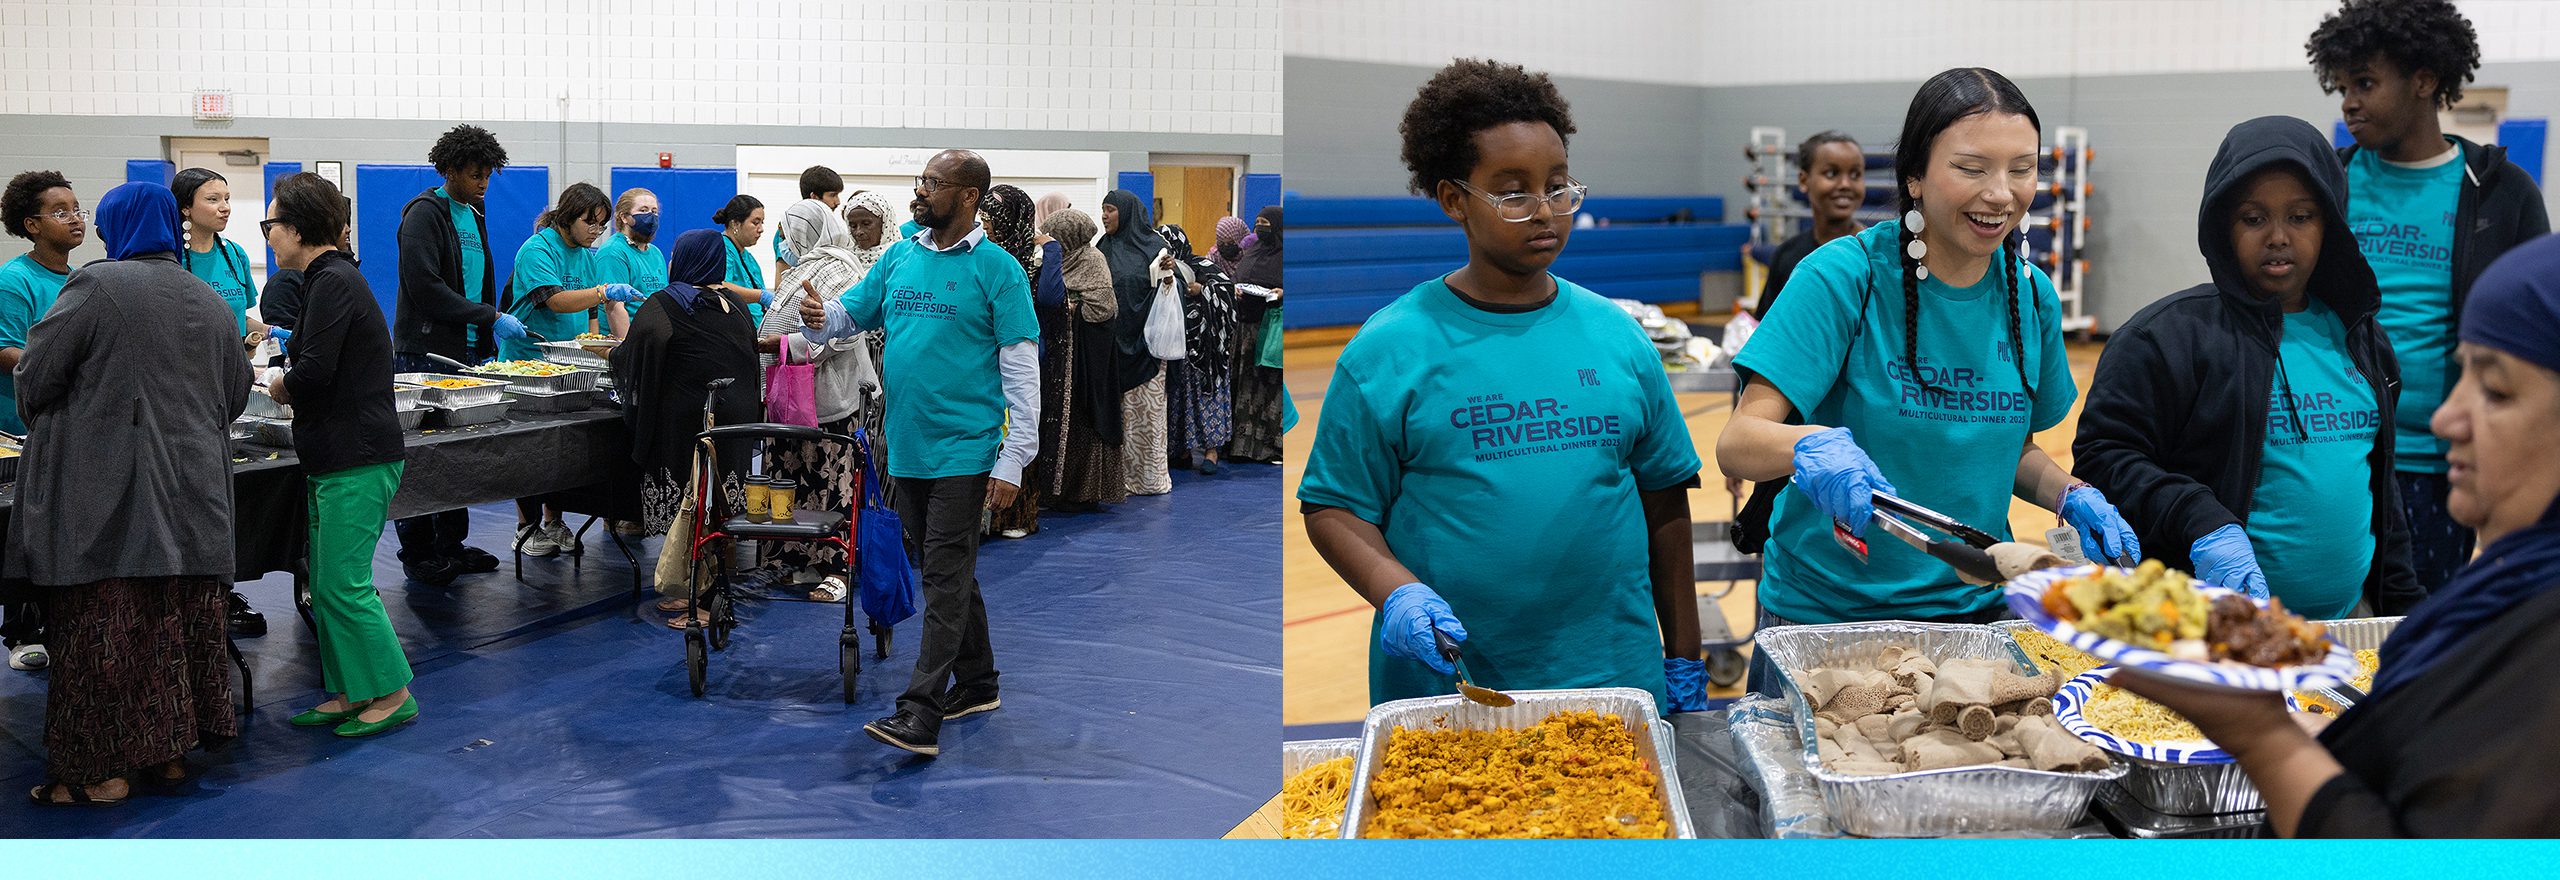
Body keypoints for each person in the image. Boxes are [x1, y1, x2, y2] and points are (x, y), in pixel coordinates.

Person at [2113, 232, 2560, 837]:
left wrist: (2261, 734)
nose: (2445, 418)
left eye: (2497, 390)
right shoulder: (2513, 586)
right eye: (2462, 377)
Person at [1715, 68, 2141, 695]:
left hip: (1973, 621)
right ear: (1914, 175)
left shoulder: (2031, 297)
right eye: (1972, 169)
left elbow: (2009, 450)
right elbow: (1738, 440)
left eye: (2023, 169)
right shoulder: (1845, 277)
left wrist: (2069, 495)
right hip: (1826, 627)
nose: (2001, 194)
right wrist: (1808, 447)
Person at [1299, 58, 1705, 712]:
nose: (1545, 211)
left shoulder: (1618, 337)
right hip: (1457, 693)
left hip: (1614, 686)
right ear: (1454, 198)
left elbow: (1665, 505)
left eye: (1558, 186)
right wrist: (1393, 589)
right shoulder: (1389, 348)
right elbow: (1334, 508)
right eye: (1513, 191)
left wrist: (1685, 656)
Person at [2074, 116, 2419, 619]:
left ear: (2331, 223)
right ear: (2223, 226)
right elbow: (2103, 456)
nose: (2278, 236)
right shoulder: (2166, 337)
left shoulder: (2363, 337)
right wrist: (2201, 520)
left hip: (2348, 629)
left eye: (2300, 217)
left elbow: (2383, 496)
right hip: (2206, 638)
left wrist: (2406, 610)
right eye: (2254, 219)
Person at [7, 182, 246, 804]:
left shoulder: (96, 286)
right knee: (173, 629)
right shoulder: (210, 298)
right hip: (196, 502)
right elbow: (237, 394)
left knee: (102, 633)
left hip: (111, 499)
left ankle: (98, 774)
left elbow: (36, 373)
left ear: (117, 227)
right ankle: (167, 758)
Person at [797, 148, 1039, 757]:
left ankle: (921, 710)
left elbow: (1022, 374)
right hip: (906, 448)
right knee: (948, 571)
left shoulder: (999, 271)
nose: (921, 191)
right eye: (921, 181)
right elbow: (848, 317)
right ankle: (978, 682)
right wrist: (820, 317)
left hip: (966, 449)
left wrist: (1013, 458)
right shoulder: (901, 256)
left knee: (944, 575)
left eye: (933, 183)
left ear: (967, 195)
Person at [2310, 0, 2550, 594]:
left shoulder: (2502, 192)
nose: (2349, 101)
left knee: (2417, 628)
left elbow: (2540, 335)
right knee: (2331, 620)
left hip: (2443, 461)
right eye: (2341, 85)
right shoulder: (2325, 185)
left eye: (2365, 83)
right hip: (2336, 450)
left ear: (2424, 79)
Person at [259, 172, 420, 739]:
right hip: (335, 456)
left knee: (346, 584)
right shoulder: (323, 281)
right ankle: (353, 688)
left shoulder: (334, 282)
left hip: (358, 456)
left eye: (271, 226)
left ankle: (394, 692)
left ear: (297, 229)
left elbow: (314, 373)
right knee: (326, 583)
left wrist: (278, 384)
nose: (268, 237)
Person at [392, 124, 530, 586]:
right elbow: (425, 288)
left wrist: (487, 328)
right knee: (422, 456)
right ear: (449, 170)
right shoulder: (423, 214)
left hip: (467, 350)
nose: (483, 183)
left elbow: (479, 278)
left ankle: (451, 543)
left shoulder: (476, 210)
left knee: (457, 455)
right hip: (424, 351)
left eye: (488, 175)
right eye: (475, 175)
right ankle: (418, 551)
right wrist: (490, 315)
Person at [614, 229, 762, 629]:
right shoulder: (735, 304)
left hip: (694, 420)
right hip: (738, 417)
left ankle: (706, 603)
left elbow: (634, 355)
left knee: (696, 504)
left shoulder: (665, 303)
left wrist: (612, 354)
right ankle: (699, 589)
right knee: (718, 506)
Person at [749, 197, 883, 598]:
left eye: (789, 233)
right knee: (795, 479)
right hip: (793, 396)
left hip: (832, 397)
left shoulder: (840, 270)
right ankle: (800, 561)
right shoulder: (801, 270)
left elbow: (846, 332)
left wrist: (783, 343)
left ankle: (836, 569)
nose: (784, 242)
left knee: (832, 480)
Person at [504, 182, 645, 555]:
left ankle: (554, 519)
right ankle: (526, 527)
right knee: (530, 450)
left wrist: (600, 346)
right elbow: (554, 300)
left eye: (601, 225)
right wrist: (603, 292)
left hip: (567, 364)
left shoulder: (585, 254)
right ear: (568, 216)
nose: (596, 231)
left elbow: (589, 313)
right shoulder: (537, 249)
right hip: (528, 362)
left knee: (561, 449)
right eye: (590, 222)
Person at [0, 170, 83, 672]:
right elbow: (5, 348)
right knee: (24, 528)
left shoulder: (82, 277)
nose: (75, 219)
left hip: (69, 423)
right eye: (60, 211)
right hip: (21, 424)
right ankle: (20, 630)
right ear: (32, 225)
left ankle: (61, 617)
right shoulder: (15, 279)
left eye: (77, 209)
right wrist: (63, 362)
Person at [1037, 207, 1127, 510]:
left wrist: (1071, 306)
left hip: (1085, 362)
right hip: (1057, 359)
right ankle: (1053, 490)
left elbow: (1103, 307)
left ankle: (1082, 493)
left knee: (1081, 423)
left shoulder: (1091, 261)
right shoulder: (1055, 262)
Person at [980, 184, 1046, 538]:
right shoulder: (981, 257)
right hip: (988, 361)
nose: (986, 224)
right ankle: (992, 517)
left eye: (994, 218)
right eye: (984, 217)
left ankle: (1018, 515)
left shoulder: (1028, 260)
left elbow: (1046, 302)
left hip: (1021, 354)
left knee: (1018, 431)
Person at [1098, 189, 1172, 497]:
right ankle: (1117, 481)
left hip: (1146, 347)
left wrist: (1171, 277)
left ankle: (1148, 480)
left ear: (1126, 213)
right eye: (1102, 210)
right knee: (1115, 417)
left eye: (1110, 210)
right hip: (1112, 348)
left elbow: (1172, 291)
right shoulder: (1102, 247)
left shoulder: (1155, 248)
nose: (1104, 216)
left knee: (1145, 417)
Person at [1753, 131, 1867, 322]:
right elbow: (1766, 327)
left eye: (1855, 174)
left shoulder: (1873, 256)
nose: (1845, 184)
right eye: (1831, 173)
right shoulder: (1787, 256)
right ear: (1804, 181)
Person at [1160, 224, 1236, 475]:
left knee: (1206, 398)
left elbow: (1226, 293)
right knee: (1180, 398)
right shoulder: (1159, 268)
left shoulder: (1201, 266)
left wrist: (1201, 290)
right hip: (1178, 347)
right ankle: (1180, 450)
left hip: (1206, 350)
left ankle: (1211, 452)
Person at [172, 167, 268, 344]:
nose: (225, 208)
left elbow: (237, 318)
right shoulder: (171, 259)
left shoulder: (235, 253)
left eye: (227, 199)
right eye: (213, 200)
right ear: (186, 207)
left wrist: (270, 331)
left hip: (234, 365)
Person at [1226, 205, 1285, 464]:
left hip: (1269, 329)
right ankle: (1240, 445)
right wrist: (1236, 289)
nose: (1261, 227)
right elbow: (1240, 276)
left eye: (1266, 223)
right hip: (1243, 328)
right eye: (1257, 222)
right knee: (1243, 384)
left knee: (1266, 386)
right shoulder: (1253, 251)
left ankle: (1267, 445)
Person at [593, 187, 670, 339]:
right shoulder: (613, 252)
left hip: (654, 338)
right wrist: (629, 351)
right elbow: (614, 307)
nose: (650, 216)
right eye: (643, 210)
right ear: (624, 217)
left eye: (654, 211)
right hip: (628, 340)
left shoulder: (655, 252)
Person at [713, 195, 772, 323]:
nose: (761, 229)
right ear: (735, 224)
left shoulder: (748, 257)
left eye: (762, 223)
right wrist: (761, 296)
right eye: (755, 223)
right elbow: (719, 286)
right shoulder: (720, 249)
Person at [779, 166, 844, 269]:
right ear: (814, 197)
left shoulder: (837, 230)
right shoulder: (790, 231)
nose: (838, 202)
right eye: (833, 195)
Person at [1207, 215, 1247, 279]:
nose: (1226, 246)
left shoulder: (1251, 256)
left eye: (1231, 243)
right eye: (1221, 243)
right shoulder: (1214, 256)